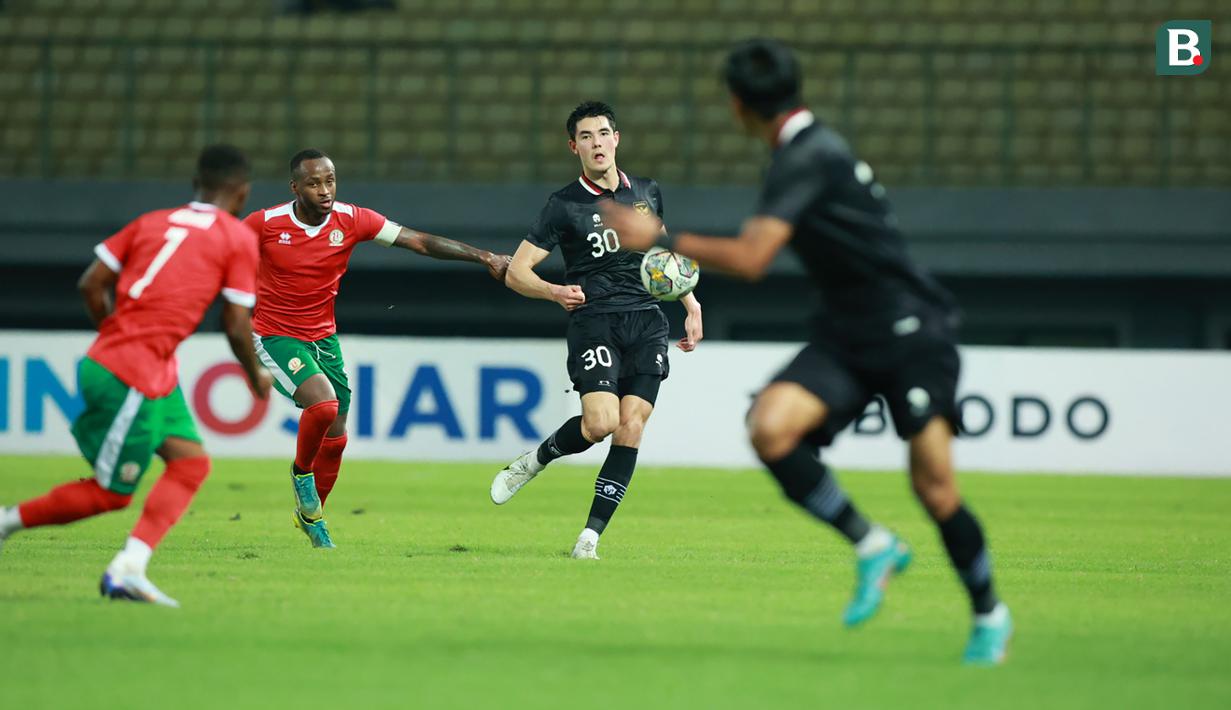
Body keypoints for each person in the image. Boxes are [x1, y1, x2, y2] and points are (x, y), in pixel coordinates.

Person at [605, 40, 1011, 664]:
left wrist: (659, 236)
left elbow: (752, 259)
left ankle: (989, 615)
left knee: (934, 489)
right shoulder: (806, 150)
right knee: (770, 428)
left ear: (738, 107)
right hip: (848, 332)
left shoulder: (808, 155)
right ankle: (873, 545)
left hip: (910, 330)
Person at [0, 145, 272, 607]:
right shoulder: (235, 237)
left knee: (190, 464)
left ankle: (129, 567)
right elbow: (235, 322)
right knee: (111, 493)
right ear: (242, 194)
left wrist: (113, 333)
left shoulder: (151, 221)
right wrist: (255, 374)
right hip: (132, 375)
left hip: (144, 367)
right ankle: (7, 524)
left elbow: (91, 282)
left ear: (195, 184)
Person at [244, 149, 511, 548]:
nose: (324, 190)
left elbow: (418, 241)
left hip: (323, 336)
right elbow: (219, 251)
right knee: (324, 404)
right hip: (274, 334)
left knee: (337, 434)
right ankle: (301, 475)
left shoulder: (352, 220)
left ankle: (313, 518)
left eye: (330, 180)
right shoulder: (265, 223)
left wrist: (484, 256)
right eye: (314, 183)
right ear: (295, 188)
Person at [490, 101, 704, 560]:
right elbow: (516, 271)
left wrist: (689, 301)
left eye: (603, 133)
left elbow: (661, 249)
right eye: (585, 137)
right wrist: (553, 292)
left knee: (631, 426)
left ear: (617, 138)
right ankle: (537, 459)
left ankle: (589, 538)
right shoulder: (563, 205)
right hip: (595, 322)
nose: (596, 143)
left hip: (647, 320)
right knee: (601, 423)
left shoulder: (646, 191)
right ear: (574, 147)